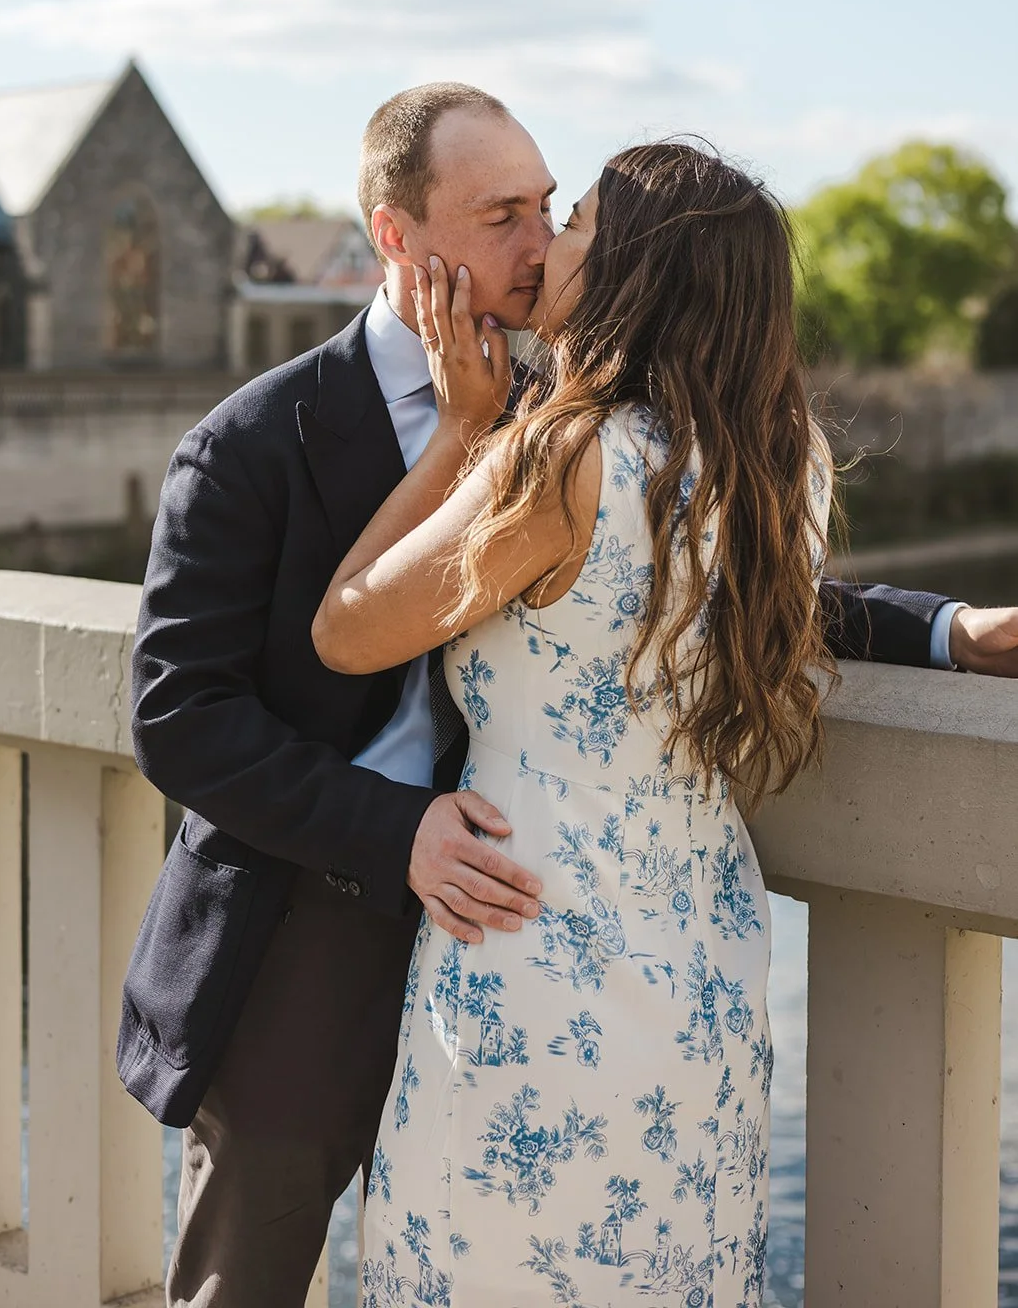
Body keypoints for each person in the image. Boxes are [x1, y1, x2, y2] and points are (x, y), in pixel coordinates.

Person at [121, 85, 1018, 1308]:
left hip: (530, 934)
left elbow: (726, 585)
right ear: (397, 236)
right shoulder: (251, 440)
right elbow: (177, 715)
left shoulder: (572, 422)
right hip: (315, 922)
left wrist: (940, 625)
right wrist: (394, 831)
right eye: (504, 215)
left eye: (556, 210)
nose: (540, 244)